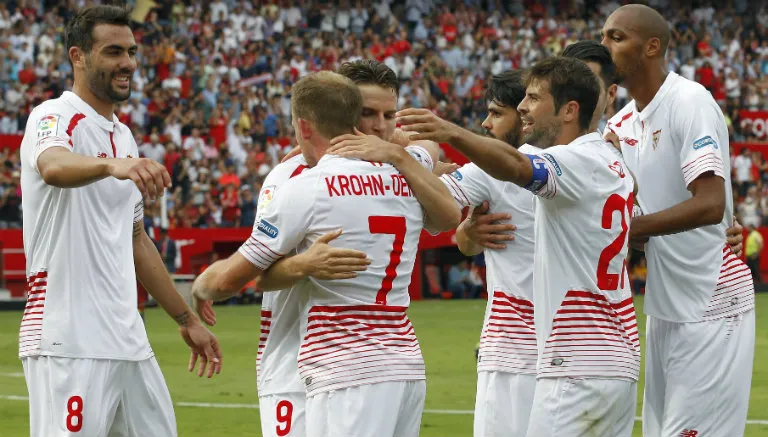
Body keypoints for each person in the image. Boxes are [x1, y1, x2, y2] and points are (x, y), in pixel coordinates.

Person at [192, 71, 460, 437]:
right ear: (351, 117)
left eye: (389, 116)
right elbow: (431, 159)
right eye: (369, 114)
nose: (380, 126)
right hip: (373, 359)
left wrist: (200, 288)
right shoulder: (399, 173)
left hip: (340, 363)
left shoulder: (312, 184)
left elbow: (237, 277)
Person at [397, 56, 639, 437]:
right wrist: (465, 234)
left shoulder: (565, 161)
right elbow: (441, 213)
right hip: (605, 354)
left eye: (532, 99)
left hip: (573, 358)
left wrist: (438, 139)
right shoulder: (611, 159)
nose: (524, 109)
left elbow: (517, 169)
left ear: (568, 110)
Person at [18, 6, 222, 437]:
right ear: (78, 56)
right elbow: (54, 165)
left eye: (130, 51)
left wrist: (186, 320)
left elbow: (135, 239)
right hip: (67, 336)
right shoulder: (54, 115)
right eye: (113, 51)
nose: (127, 62)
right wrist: (111, 166)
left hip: (127, 337)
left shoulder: (123, 136)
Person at [602, 5, 755, 436]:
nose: (604, 47)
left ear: (652, 46)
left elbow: (708, 204)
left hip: (711, 299)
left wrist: (628, 230)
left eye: (616, 37)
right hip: (666, 303)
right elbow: (632, 225)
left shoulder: (689, 101)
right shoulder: (618, 125)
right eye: (604, 37)